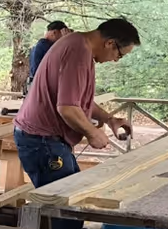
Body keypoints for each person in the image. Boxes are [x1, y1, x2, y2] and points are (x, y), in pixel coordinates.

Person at [14, 18, 140, 208]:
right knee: (65, 210)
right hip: (42, 140)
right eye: (119, 55)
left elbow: (79, 102)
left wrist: (109, 119)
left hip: (45, 140)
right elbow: (67, 108)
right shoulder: (78, 52)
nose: (115, 60)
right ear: (110, 43)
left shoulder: (78, 44)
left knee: (70, 203)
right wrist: (92, 132)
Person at [26, 21, 71, 92]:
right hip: (43, 87)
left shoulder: (40, 45)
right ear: (55, 33)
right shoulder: (44, 45)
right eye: (61, 34)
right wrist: (67, 41)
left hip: (38, 85)